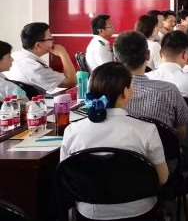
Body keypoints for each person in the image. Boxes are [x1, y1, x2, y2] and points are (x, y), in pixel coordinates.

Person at [60, 62, 169, 220]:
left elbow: (66, 178)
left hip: (90, 212)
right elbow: (162, 178)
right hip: (140, 209)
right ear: (125, 92)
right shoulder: (147, 130)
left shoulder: (72, 131)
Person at [114, 31, 188, 139]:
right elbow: (182, 132)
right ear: (148, 55)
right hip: (164, 148)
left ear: (116, 59)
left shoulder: (108, 92)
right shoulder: (169, 90)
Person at [4, 22, 76, 90]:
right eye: (50, 39)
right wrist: (63, 54)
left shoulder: (15, 55)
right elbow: (71, 82)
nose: (53, 41)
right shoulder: (35, 68)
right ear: (38, 45)